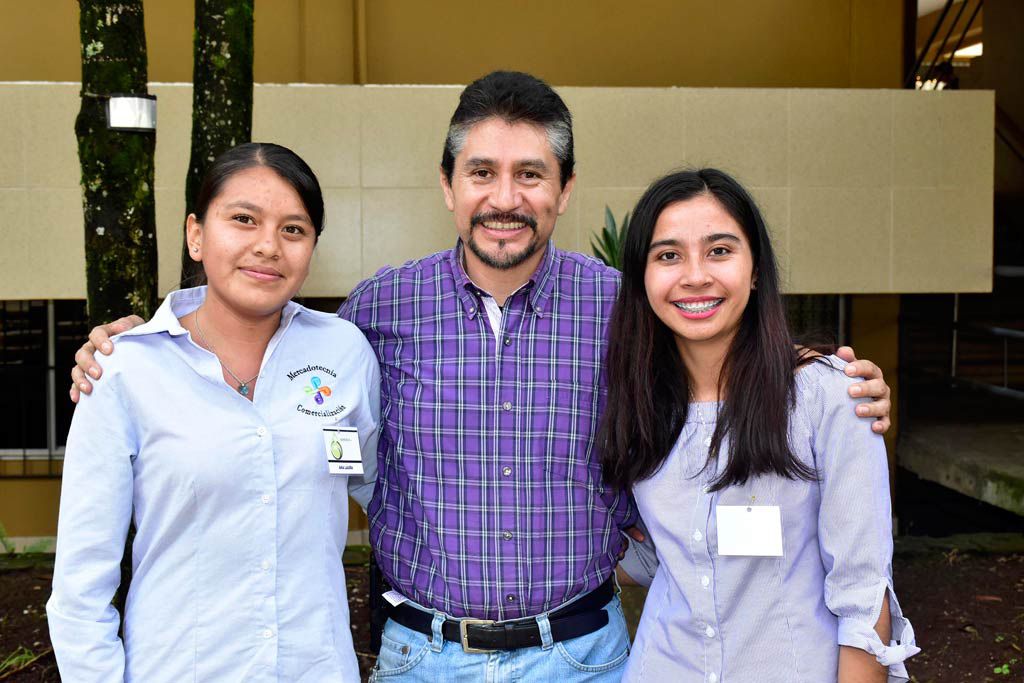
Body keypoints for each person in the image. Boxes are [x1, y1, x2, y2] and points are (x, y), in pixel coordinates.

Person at [70, 72, 893, 681]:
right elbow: (293, 387)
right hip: (422, 655)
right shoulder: (374, 313)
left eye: (531, 174)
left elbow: (712, 345)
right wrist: (134, 342)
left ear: (565, 190)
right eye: (483, 172)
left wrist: (816, 373)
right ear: (448, 185)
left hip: (585, 654)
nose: (507, 197)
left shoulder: (624, 308)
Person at [48, 143, 380, 682]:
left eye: (294, 230)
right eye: (244, 220)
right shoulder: (125, 371)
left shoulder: (342, 354)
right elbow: (81, 587)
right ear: (196, 234)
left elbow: (380, 487)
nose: (268, 246)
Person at [600, 168, 918, 682]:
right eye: (668, 255)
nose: (695, 275)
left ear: (754, 269)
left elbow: (863, 597)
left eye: (720, 251)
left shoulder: (828, 396)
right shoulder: (637, 400)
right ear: (642, 277)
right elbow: (660, 556)